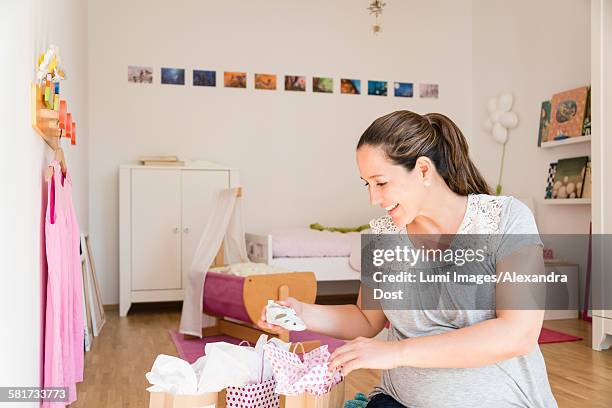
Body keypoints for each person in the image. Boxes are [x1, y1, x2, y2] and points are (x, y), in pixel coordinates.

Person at [258, 110, 558, 408]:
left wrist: (396, 352)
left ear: (424, 171)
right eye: (367, 184)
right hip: (399, 401)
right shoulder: (381, 239)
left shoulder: (506, 219)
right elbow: (365, 319)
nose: (373, 199)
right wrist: (301, 312)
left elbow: (518, 334)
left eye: (381, 182)